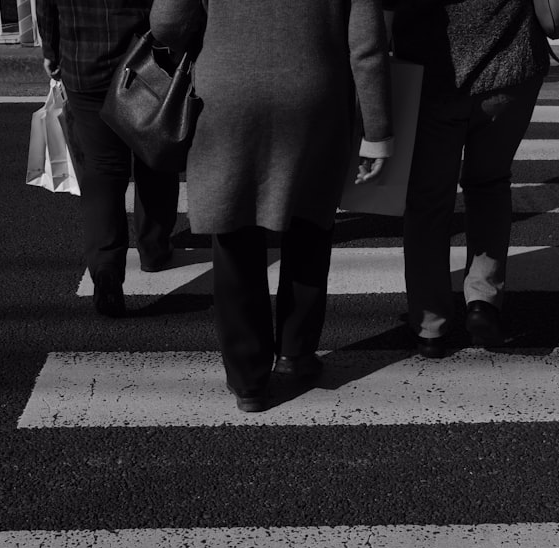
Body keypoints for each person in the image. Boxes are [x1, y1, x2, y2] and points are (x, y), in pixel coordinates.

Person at [151, 0, 393, 412]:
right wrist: (378, 129)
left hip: (227, 97)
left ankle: (248, 380)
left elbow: (167, 22)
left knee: (233, 233)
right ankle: (296, 356)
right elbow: (367, 44)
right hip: (315, 95)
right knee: (311, 225)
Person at [384, 0, 550, 357]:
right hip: (512, 65)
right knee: (489, 182)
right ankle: (483, 301)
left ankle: (431, 326)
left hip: (430, 73)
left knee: (428, 200)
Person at [37, 0, 180, 318]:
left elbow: (46, 6)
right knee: (153, 155)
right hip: (145, 61)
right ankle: (154, 250)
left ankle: (105, 270)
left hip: (83, 64)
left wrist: (51, 49)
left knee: (102, 169)